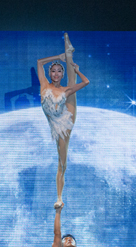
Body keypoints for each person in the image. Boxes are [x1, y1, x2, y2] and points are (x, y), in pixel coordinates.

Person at [37, 33, 90, 208]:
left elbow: (86, 81)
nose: (57, 73)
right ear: (50, 73)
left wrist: (75, 69)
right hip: (54, 122)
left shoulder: (66, 90)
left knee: (62, 163)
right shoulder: (44, 85)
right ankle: (67, 53)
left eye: (60, 70)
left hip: (65, 123)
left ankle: (59, 197)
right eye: (54, 70)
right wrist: (58, 57)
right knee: (61, 161)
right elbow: (39, 62)